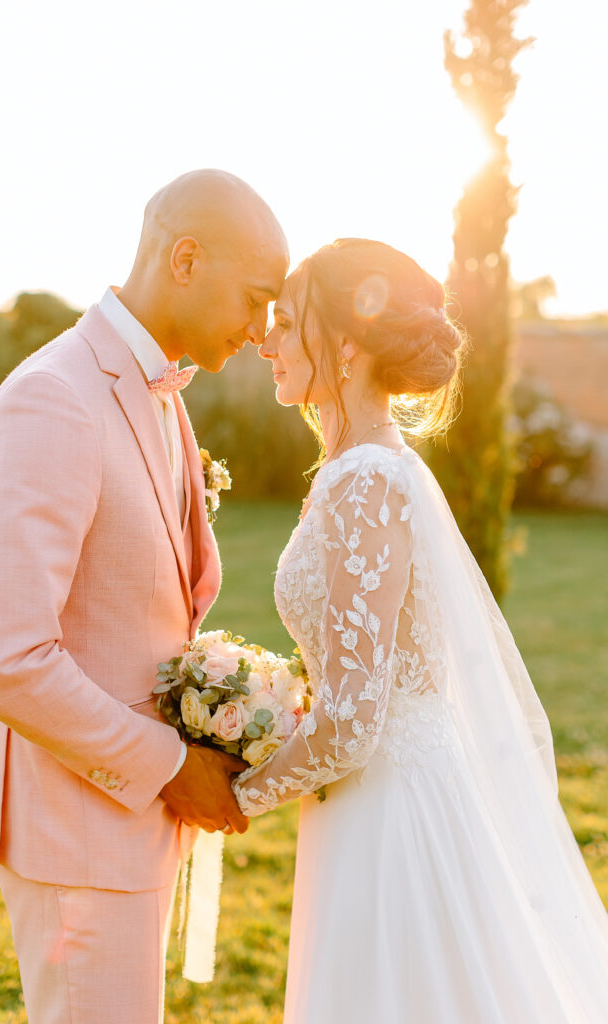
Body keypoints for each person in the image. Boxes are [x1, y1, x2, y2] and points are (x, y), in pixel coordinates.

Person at [232, 237, 608, 1023]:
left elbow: (349, 729)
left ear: (343, 342)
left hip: (393, 809)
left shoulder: (368, 479)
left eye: (285, 322)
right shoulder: (355, 470)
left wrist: (231, 793)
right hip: (373, 791)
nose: (264, 341)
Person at [0, 169, 289, 1023]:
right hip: (77, 832)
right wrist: (174, 766)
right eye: (254, 299)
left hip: (124, 830)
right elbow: (6, 660)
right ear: (185, 258)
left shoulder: (155, 395)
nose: (261, 331)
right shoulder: (54, 397)